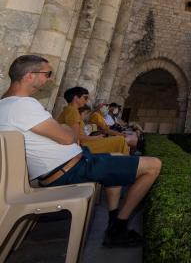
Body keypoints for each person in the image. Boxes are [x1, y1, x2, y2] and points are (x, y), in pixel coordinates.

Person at [0, 55, 162, 248]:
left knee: (117, 157)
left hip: (68, 165)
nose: (49, 79)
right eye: (47, 74)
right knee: (153, 165)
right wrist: (66, 130)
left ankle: (112, 220)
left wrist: (64, 130)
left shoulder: (6, 104)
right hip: (70, 169)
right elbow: (68, 136)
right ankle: (119, 227)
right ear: (29, 76)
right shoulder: (23, 104)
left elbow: (63, 132)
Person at [57, 86, 129, 154]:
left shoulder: (71, 110)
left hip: (84, 142)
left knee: (119, 140)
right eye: (85, 98)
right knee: (120, 141)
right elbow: (76, 137)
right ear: (76, 98)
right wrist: (96, 138)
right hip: (82, 146)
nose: (86, 100)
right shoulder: (72, 111)